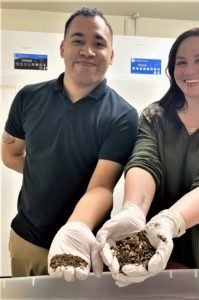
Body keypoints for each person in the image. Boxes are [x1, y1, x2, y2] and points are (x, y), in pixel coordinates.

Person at [96, 27, 199, 298]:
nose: (189, 70)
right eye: (181, 62)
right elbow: (144, 162)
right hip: (148, 244)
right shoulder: (155, 117)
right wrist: (133, 211)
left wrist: (171, 220)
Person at [1, 7, 138, 281]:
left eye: (98, 43)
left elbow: (101, 186)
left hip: (83, 246)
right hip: (26, 240)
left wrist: (73, 231)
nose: (88, 50)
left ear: (111, 56)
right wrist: (48, 172)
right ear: (63, 48)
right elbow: (10, 153)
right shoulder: (28, 98)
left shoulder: (123, 115)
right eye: (78, 40)